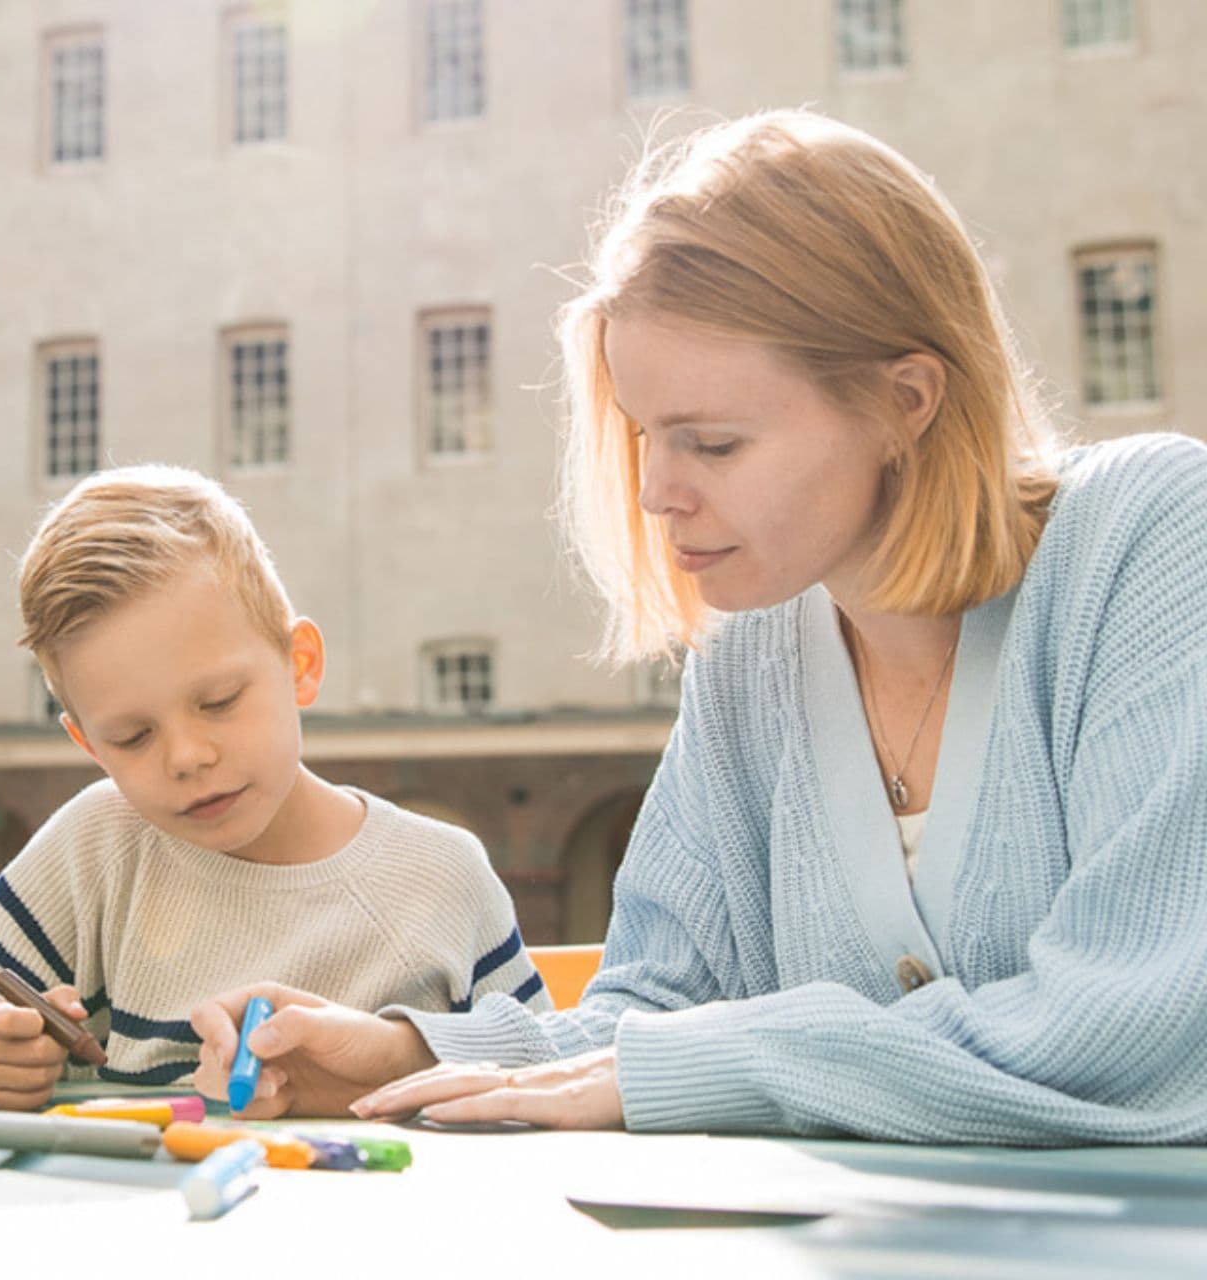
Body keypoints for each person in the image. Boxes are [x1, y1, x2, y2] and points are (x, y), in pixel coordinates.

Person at [190, 109, 1207, 1144]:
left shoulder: (1154, 539)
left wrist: (714, 1064)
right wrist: (412, 1056)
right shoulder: (751, 648)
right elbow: (654, 1017)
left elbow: (1130, 1023)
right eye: (643, 435)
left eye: (712, 444)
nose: (655, 493)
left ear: (905, 399)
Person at [0, 465, 547, 1106]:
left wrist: (412, 1057)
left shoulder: (441, 875)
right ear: (90, 747)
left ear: (299, 664)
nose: (186, 757)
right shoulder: (100, 844)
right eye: (132, 738)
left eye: (219, 700)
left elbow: (552, 1066)